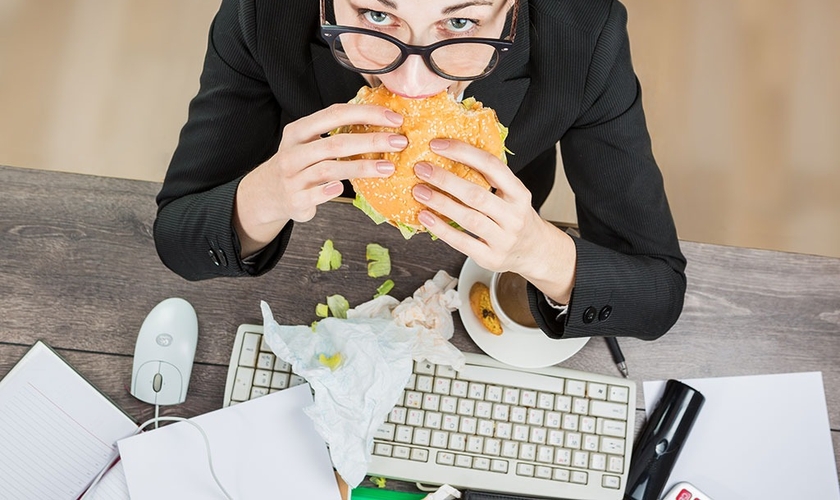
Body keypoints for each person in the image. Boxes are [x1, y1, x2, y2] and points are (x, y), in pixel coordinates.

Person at [154, 0, 686, 340]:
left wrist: (535, 250)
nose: (413, 84)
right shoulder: (263, 12)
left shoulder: (585, 34)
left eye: (460, 23)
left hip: (494, 243)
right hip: (313, 248)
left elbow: (659, 291)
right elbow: (177, 238)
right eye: (376, 16)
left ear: (513, 11)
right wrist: (264, 196)